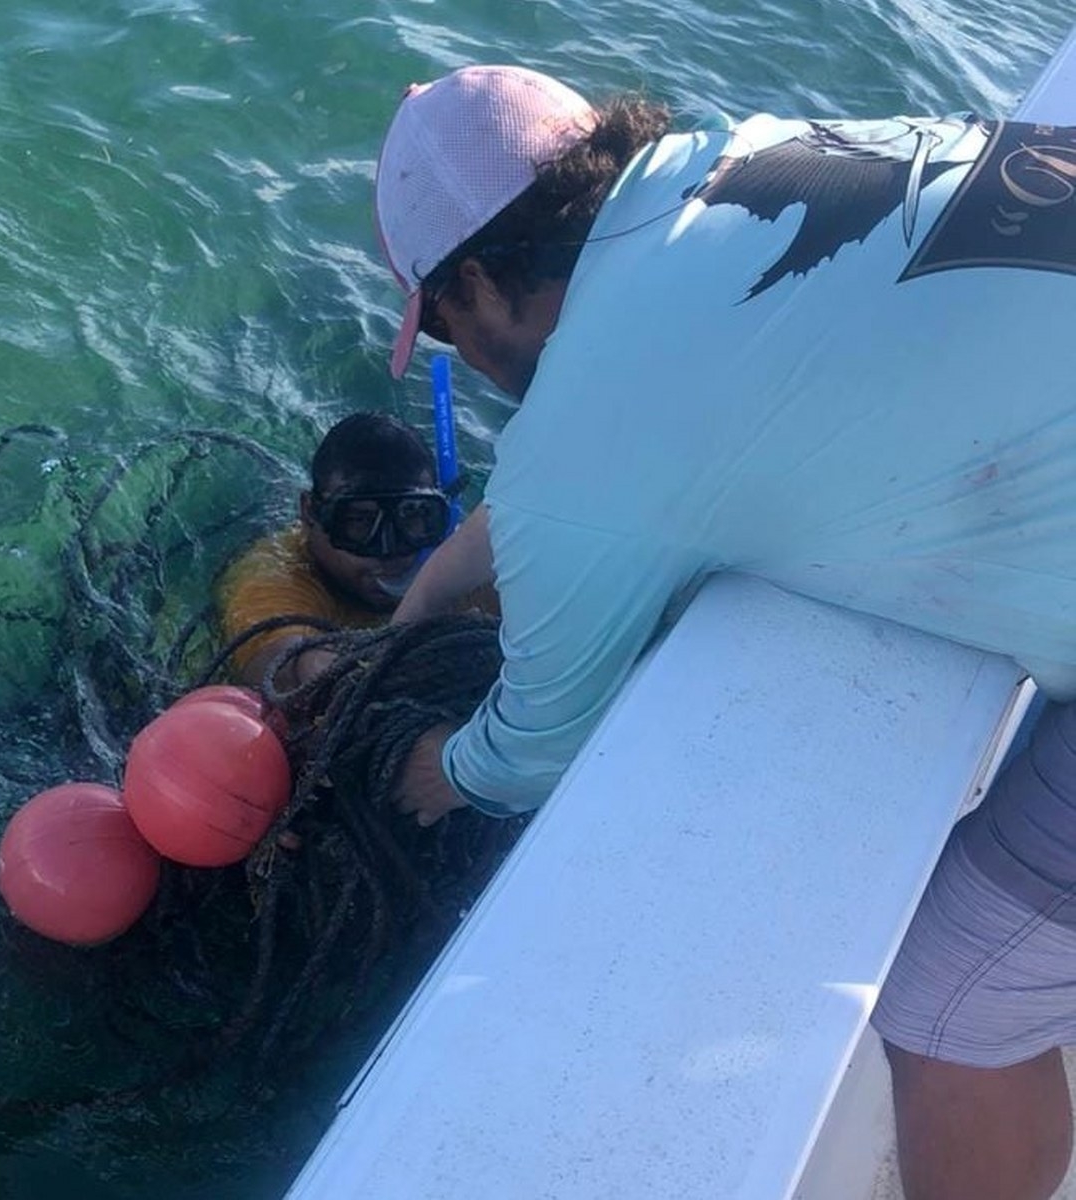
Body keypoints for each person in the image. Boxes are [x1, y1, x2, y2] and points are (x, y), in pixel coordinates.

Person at [371, 64, 1076, 1200]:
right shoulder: (735, 162)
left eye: (443, 330)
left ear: (480, 284)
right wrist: (423, 598)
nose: (464, 359)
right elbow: (625, 440)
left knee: (955, 998)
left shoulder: (585, 428)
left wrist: (438, 770)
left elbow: (535, 749)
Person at [217, 411, 458, 691]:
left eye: (412, 514)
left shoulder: (458, 562)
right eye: (359, 520)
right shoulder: (273, 572)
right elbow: (283, 665)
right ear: (310, 512)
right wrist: (316, 667)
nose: (389, 551)